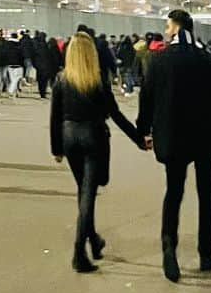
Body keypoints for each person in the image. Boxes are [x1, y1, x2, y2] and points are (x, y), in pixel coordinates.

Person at [136, 8, 211, 283]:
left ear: (176, 27)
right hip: (203, 135)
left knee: (174, 192)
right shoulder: (207, 59)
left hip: (172, 136)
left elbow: (147, 99)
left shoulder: (159, 60)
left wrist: (143, 131)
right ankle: (205, 253)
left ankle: (169, 250)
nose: (166, 30)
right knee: (205, 195)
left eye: (168, 26)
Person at [51, 31, 145, 272]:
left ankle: (93, 240)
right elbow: (115, 114)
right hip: (94, 137)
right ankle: (79, 252)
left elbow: (55, 117)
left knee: (83, 190)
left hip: (69, 136)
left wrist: (56, 148)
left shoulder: (61, 79)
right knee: (88, 194)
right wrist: (139, 139)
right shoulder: (98, 80)